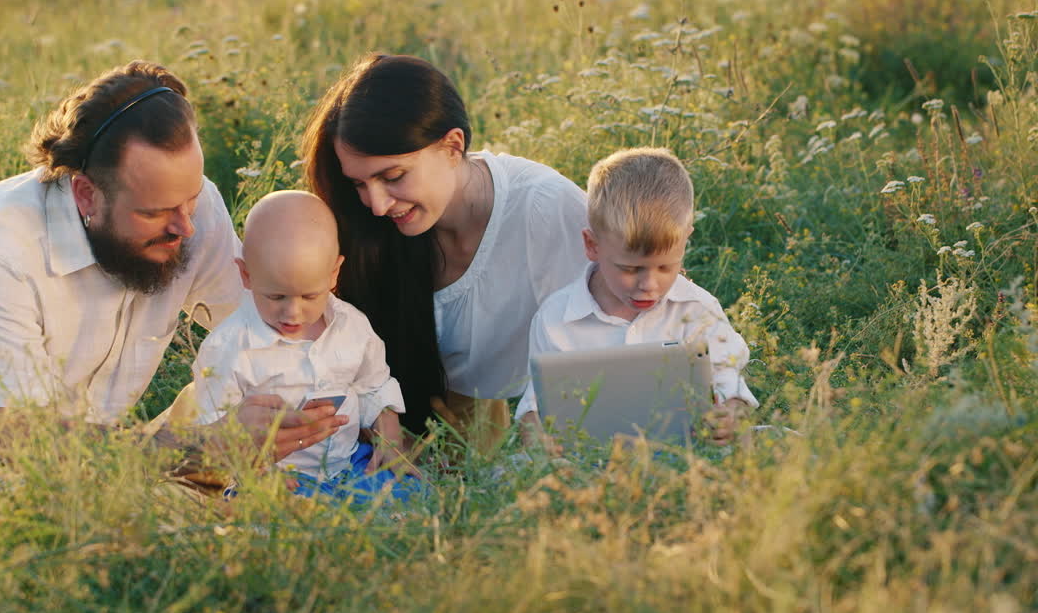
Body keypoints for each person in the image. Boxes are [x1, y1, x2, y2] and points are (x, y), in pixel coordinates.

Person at [0, 60, 346, 501]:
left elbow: (264, 332)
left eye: (192, 199)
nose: (186, 225)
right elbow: (20, 440)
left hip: (66, 452)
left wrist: (315, 415)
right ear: (87, 195)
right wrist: (203, 447)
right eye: (156, 212)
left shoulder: (190, 212)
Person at [301, 53, 588, 450]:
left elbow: (637, 309)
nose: (377, 205)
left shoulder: (545, 208)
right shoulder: (367, 224)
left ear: (453, 146)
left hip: (527, 415)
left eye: (393, 176)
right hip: (389, 411)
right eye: (359, 184)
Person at [514, 147, 759, 447]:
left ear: (686, 241)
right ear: (592, 245)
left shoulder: (696, 309)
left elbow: (733, 390)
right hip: (588, 468)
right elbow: (534, 411)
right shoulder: (556, 319)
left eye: (666, 267)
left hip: (690, 460)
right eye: (630, 268)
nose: (649, 284)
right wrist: (539, 442)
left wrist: (731, 416)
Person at [191, 190, 419, 501]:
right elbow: (216, 427)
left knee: (411, 497)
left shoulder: (350, 326)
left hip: (350, 463)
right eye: (276, 297)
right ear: (246, 274)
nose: (293, 313)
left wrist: (388, 434)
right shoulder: (228, 348)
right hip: (280, 476)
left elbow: (373, 384)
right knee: (278, 521)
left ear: (334, 274)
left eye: (310, 296)